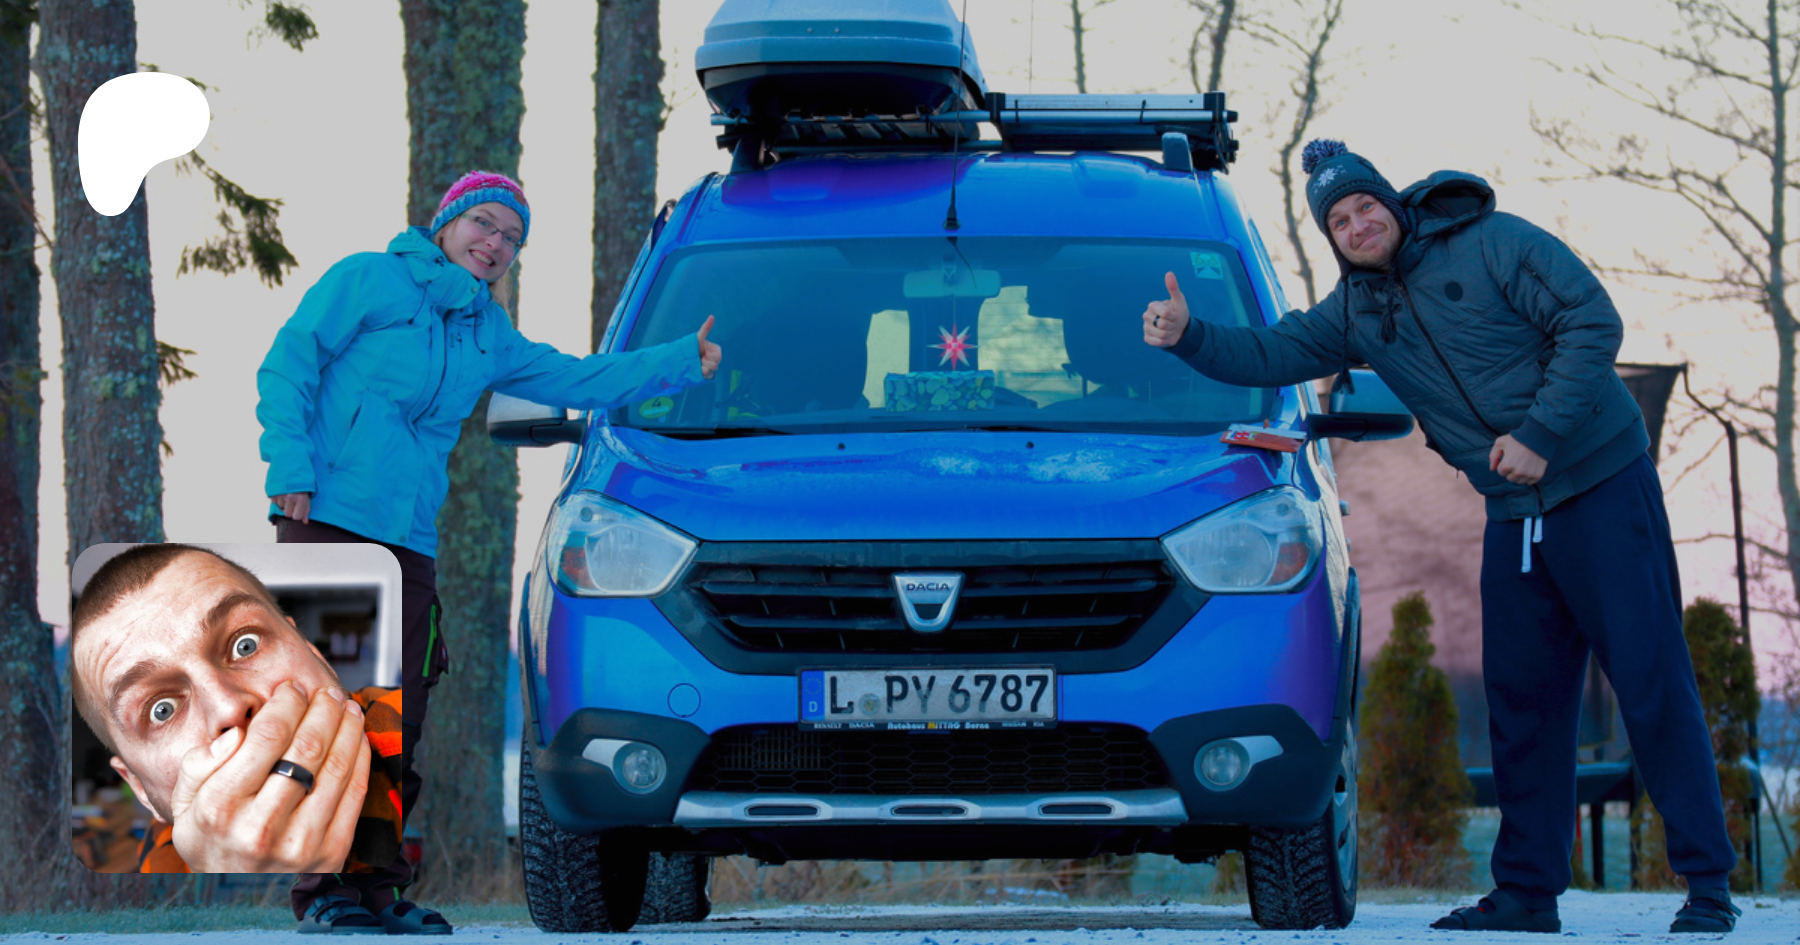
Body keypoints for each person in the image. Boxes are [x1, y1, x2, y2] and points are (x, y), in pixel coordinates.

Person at [1142, 139, 1741, 935]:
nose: (1357, 226)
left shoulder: (1492, 242)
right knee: (1522, 702)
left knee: (1649, 676)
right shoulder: (1357, 310)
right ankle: (1527, 894)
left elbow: (1592, 320)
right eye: (1339, 221)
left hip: (1600, 483)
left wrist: (1540, 433)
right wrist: (1190, 334)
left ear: (1391, 203)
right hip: (1514, 511)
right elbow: (1273, 351)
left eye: (1365, 207)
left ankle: (1707, 885)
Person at [255, 169, 721, 934]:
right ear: (448, 222)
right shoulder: (371, 279)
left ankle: (375, 888)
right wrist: (290, 469)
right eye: (486, 224)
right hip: (329, 516)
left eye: (512, 238)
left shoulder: (486, 331)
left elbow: (579, 376)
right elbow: (289, 362)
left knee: (398, 716)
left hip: (409, 539)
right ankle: (322, 889)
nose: (496, 244)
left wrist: (676, 359)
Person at [70, 544, 402, 893]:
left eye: (246, 645)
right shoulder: (163, 869)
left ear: (314, 653)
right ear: (141, 790)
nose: (228, 707)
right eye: (161, 710)